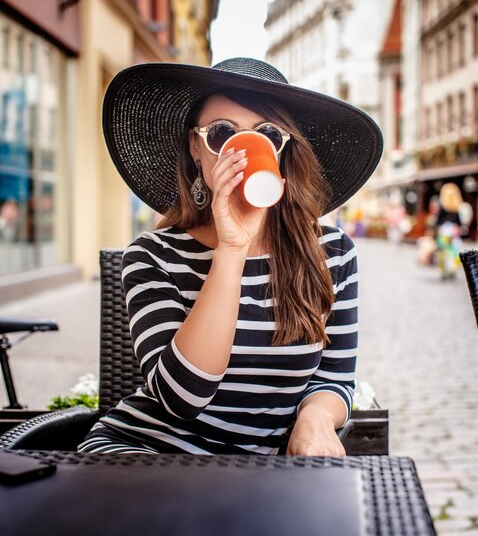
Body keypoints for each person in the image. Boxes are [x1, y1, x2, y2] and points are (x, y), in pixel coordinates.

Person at [78, 57, 383, 456]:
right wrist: (232, 250)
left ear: (283, 150)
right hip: (146, 454)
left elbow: (335, 379)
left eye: (267, 133)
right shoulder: (153, 255)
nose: (242, 149)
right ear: (196, 149)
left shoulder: (333, 252)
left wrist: (316, 419)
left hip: (257, 476)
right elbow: (182, 398)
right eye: (222, 133)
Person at [435, 183, 465, 279]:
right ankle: (452, 270)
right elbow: (459, 222)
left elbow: (438, 220)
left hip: (444, 231)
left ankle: (444, 271)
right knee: (453, 252)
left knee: (443, 252)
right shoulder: (457, 207)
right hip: (454, 231)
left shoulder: (442, 206)